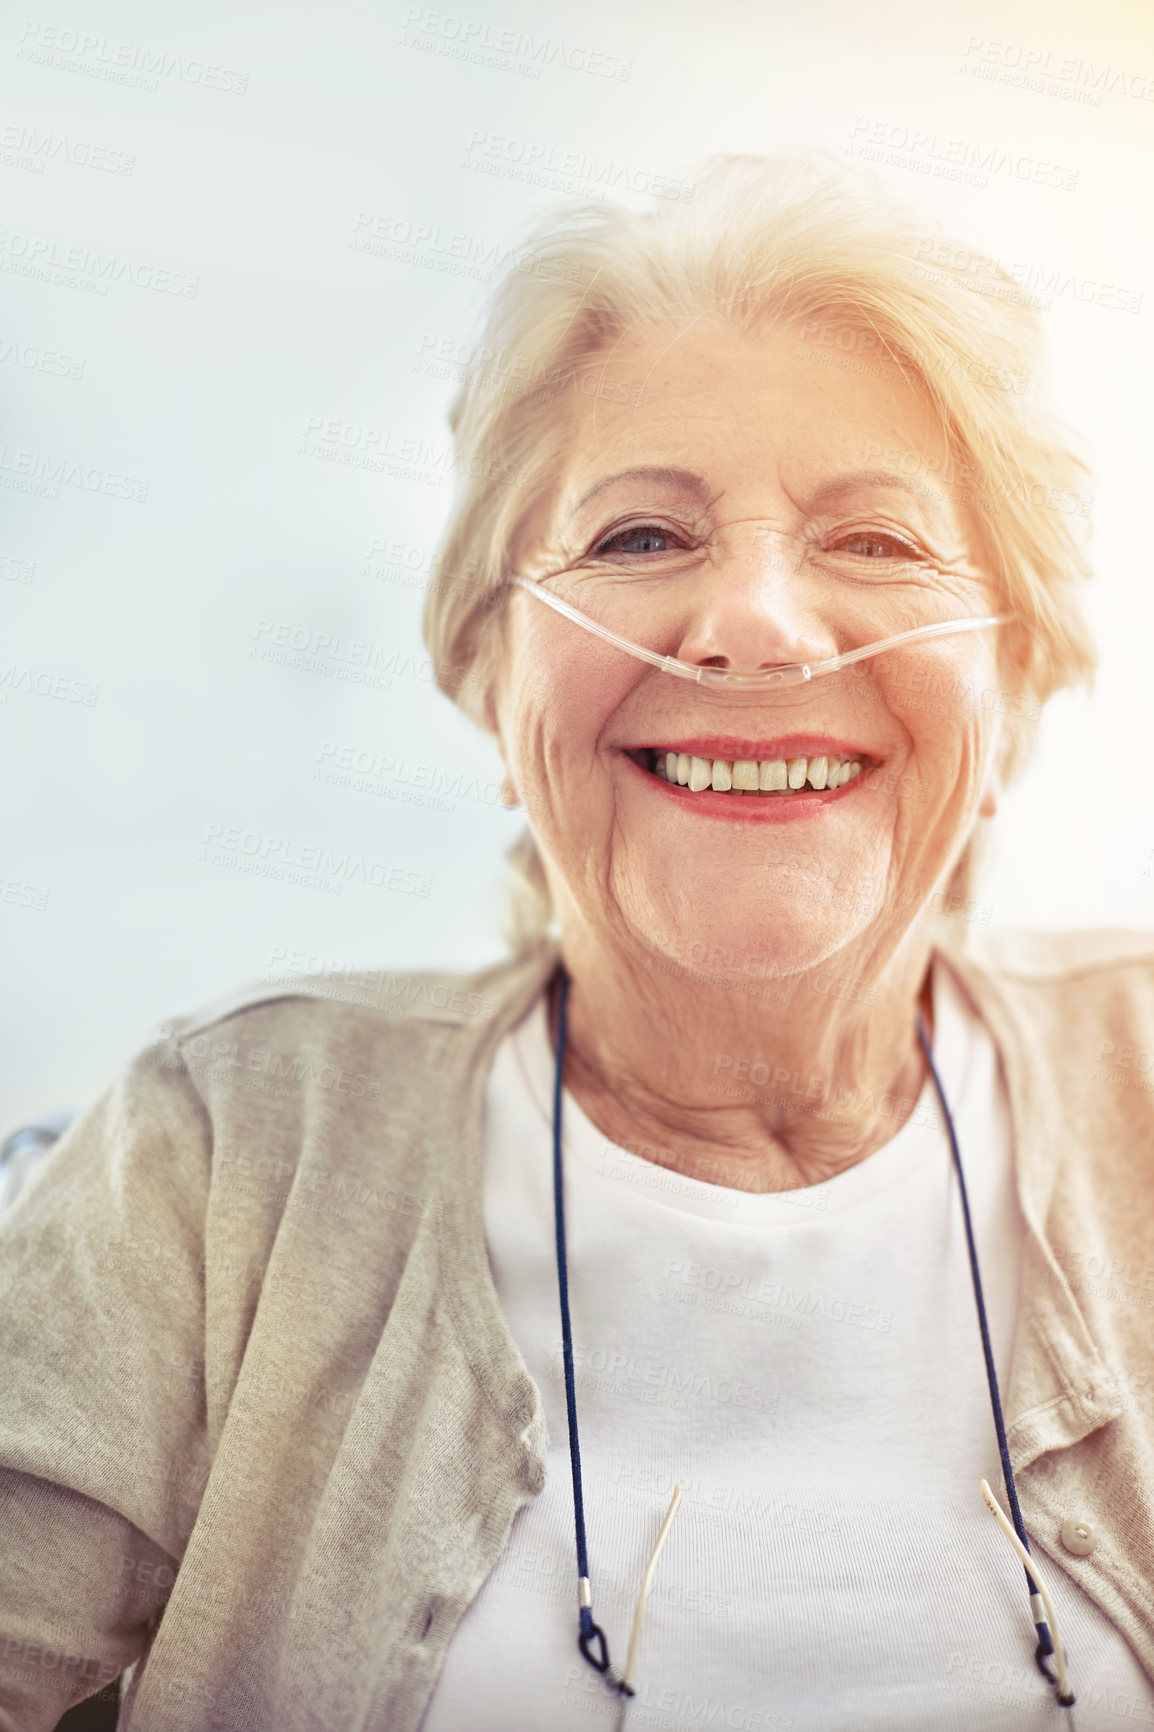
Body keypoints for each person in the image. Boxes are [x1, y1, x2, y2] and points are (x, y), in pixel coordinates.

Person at [1, 152, 1152, 1732]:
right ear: (488, 677)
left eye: (876, 541)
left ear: (1015, 686)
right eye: (636, 540)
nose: (753, 623)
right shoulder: (221, 1158)